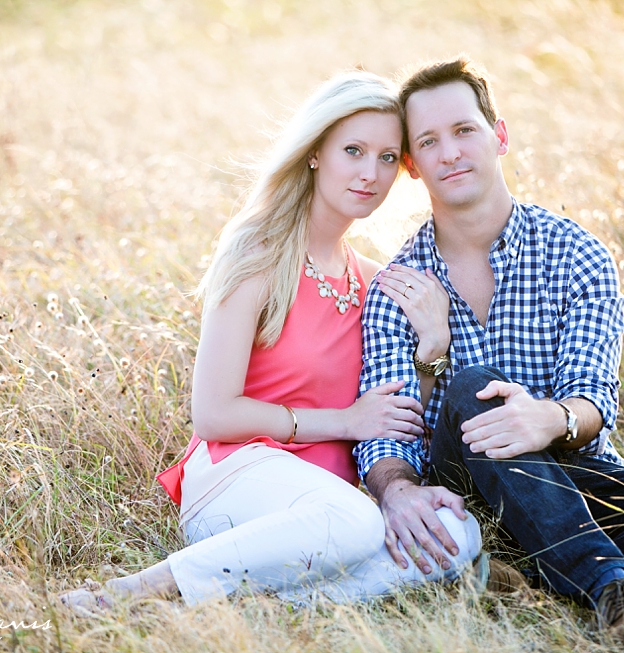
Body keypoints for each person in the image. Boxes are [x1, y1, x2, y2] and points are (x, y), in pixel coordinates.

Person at [354, 56, 624, 650]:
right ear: (413, 167)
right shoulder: (400, 284)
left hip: (582, 481)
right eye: (428, 141)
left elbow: (594, 398)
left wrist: (546, 419)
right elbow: (387, 434)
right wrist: (397, 489)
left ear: (499, 136)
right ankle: (611, 587)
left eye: (464, 130)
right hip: (463, 497)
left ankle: (525, 563)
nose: (450, 152)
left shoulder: (576, 254)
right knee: (471, 387)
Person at [59, 71, 504, 615]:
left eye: (389, 157)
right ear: (316, 152)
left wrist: (432, 347)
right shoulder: (258, 255)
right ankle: (138, 590)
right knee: (355, 522)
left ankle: (264, 606)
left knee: (459, 536)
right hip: (236, 476)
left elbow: (395, 416)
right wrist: (343, 422)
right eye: (354, 151)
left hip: (329, 505)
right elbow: (213, 415)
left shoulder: (375, 278)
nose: (370, 173)